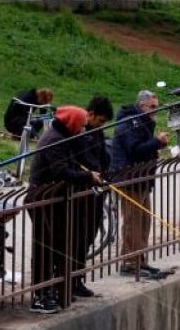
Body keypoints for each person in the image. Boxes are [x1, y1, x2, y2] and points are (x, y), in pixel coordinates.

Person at [25, 106, 101, 314]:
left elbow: (79, 159)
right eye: (81, 126)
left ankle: (62, 286)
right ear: (72, 123)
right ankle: (40, 295)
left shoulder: (67, 136)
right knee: (45, 248)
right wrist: (87, 177)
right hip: (43, 199)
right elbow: (61, 171)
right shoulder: (54, 139)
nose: (83, 131)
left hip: (58, 199)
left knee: (63, 244)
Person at [111, 89, 169, 279]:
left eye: (157, 107)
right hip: (129, 180)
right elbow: (135, 151)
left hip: (143, 179)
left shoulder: (143, 121)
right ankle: (129, 262)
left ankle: (140, 260)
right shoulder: (130, 122)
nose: (155, 110)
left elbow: (144, 149)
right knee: (132, 222)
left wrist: (156, 146)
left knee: (144, 221)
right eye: (152, 107)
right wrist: (156, 142)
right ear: (142, 105)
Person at [71, 95, 112, 298]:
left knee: (88, 236)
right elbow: (81, 158)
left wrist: (105, 175)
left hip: (97, 191)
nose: (100, 126)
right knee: (76, 237)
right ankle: (69, 279)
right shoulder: (78, 130)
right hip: (80, 191)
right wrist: (91, 174)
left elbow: (103, 156)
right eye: (100, 121)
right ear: (92, 114)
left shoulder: (98, 132)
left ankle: (77, 278)